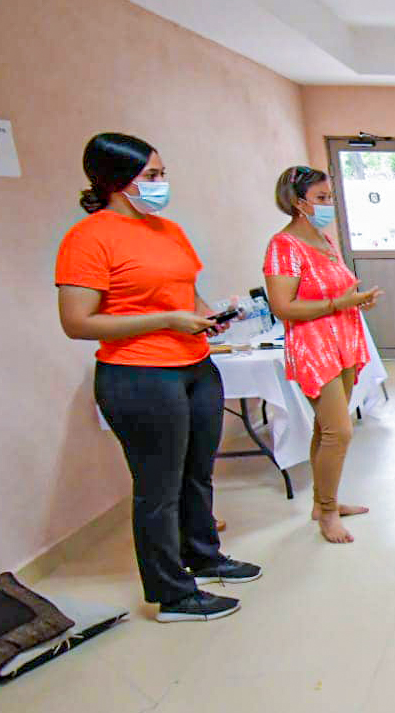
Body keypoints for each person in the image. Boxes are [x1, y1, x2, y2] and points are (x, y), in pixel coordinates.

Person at [55, 133, 261, 623]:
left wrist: (214, 316)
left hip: (194, 367)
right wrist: (165, 322)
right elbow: (77, 322)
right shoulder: (88, 238)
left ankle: (205, 556)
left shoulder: (167, 230)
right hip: (140, 375)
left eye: (161, 173)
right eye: (151, 176)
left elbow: (186, 297)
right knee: (158, 487)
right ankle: (172, 594)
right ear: (115, 181)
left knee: (197, 473)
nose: (161, 183)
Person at [263, 166, 383, 544]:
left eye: (330, 197)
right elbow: (283, 306)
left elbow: (334, 290)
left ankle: (322, 501)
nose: (329, 204)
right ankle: (327, 514)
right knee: (340, 432)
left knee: (326, 428)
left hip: (343, 339)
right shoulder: (284, 246)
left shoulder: (323, 240)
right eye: (321, 199)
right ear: (299, 203)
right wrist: (339, 303)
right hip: (315, 346)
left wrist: (355, 302)